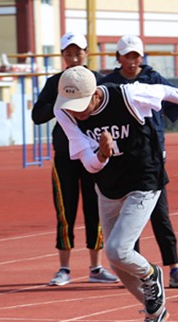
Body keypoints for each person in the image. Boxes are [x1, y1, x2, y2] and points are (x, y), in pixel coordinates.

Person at [53, 65, 178, 322]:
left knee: (118, 249)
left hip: (144, 178)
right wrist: (102, 155)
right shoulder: (64, 112)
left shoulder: (130, 95)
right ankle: (155, 312)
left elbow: (165, 91)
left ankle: (152, 274)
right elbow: (89, 164)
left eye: (81, 105)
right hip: (108, 185)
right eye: (72, 106)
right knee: (116, 262)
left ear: (95, 94)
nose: (77, 112)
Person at [101, 35, 178, 289]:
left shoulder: (153, 79)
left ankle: (174, 268)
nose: (132, 61)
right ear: (118, 58)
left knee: (160, 216)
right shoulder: (108, 84)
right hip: (120, 163)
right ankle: (133, 270)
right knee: (127, 221)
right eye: (127, 56)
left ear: (142, 57)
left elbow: (175, 99)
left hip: (150, 161)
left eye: (136, 56)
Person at [31, 32, 119, 287]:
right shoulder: (55, 83)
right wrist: (61, 100)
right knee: (65, 210)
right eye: (68, 54)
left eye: (78, 53)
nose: (73, 58)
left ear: (86, 53)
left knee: (95, 209)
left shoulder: (99, 81)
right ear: (62, 56)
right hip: (65, 156)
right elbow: (37, 115)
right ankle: (64, 268)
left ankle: (96, 267)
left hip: (94, 155)